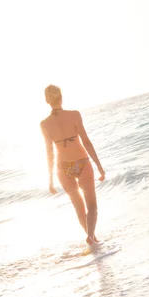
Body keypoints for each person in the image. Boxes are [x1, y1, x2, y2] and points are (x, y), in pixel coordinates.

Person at [40, 85, 105, 244]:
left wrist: (50, 180)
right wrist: (99, 167)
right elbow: (87, 142)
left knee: (78, 207)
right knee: (92, 206)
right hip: (82, 162)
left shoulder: (44, 124)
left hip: (63, 168)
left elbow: (49, 152)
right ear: (61, 97)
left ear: (47, 101)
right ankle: (90, 236)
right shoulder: (74, 115)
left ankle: (93, 239)